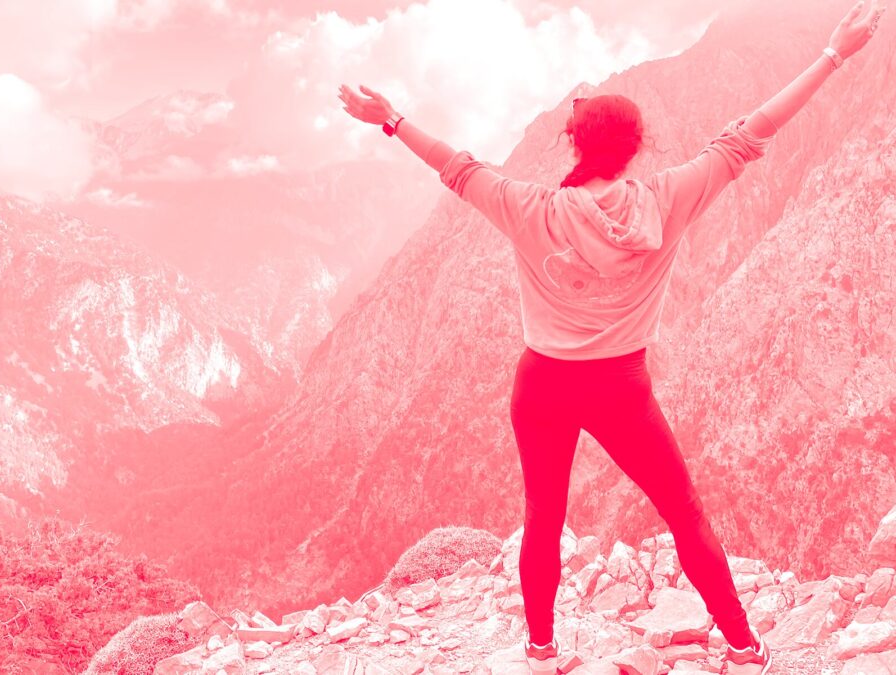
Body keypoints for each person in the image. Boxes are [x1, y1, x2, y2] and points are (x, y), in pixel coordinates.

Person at [340, 1, 884, 672]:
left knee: (543, 516)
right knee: (685, 516)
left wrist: (390, 119)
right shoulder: (665, 200)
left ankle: (540, 648)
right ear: (635, 149)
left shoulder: (529, 209)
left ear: (574, 146)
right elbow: (751, 133)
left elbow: (455, 166)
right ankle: (744, 646)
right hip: (620, 388)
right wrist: (834, 56)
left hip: (540, 384)